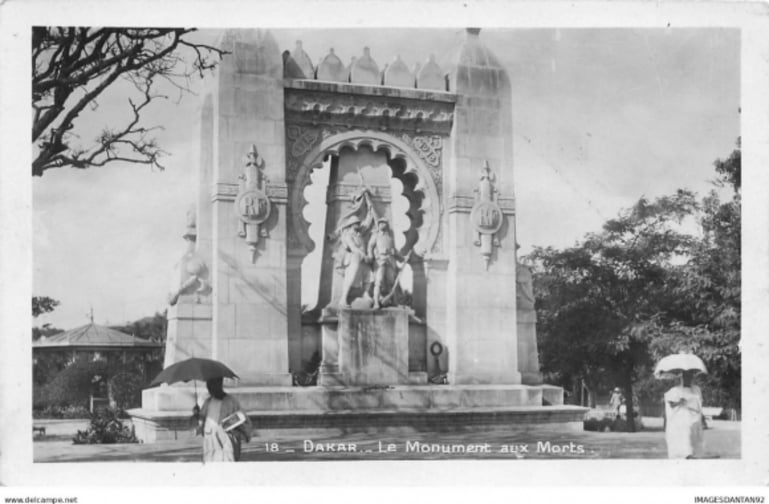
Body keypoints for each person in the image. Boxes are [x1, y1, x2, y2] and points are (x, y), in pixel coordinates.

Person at [193, 377, 252, 462]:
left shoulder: (231, 401)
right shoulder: (208, 402)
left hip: (226, 441)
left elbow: (243, 419)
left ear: (219, 385)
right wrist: (196, 414)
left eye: (212, 386)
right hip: (210, 441)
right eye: (208, 386)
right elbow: (200, 422)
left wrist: (240, 432)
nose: (209, 389)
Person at [664, 370, 705, 459]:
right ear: (681, 378)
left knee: (691, 426)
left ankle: (692, 452)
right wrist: (679, 402)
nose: (687, 379)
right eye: (685, 377)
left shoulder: (696, 390)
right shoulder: (675, 390)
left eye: (689, 377)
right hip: (679, 416)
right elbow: (671, 404)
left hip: (693, 415)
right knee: (685, 426)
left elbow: (699, 404)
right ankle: (687, 453)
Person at [337, 216, 372, 307]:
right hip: (353, 258)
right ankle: (343, 298)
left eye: (359, 223)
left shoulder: (359, 235)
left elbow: (367, 224)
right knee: (350, 277)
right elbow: (353, 248)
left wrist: (370, 212)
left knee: (369, 274)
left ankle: (365, 293)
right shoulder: (348, 235)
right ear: (351, 225)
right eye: (356, 223)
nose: (358, 225)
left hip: (362, 259)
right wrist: (364, 255)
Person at [368, 218, 401, 309]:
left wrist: (400, 257)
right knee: (378, 282)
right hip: (380, 260)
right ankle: (376, 303)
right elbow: (370, 246)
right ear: (378, 225)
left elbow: (395, 250)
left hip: (390, 261)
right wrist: (371, 256)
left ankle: (394, 302)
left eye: (384, 223)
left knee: (391, 282)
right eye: (381, 223)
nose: (382, 224)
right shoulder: (376, 235)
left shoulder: (390, 237)